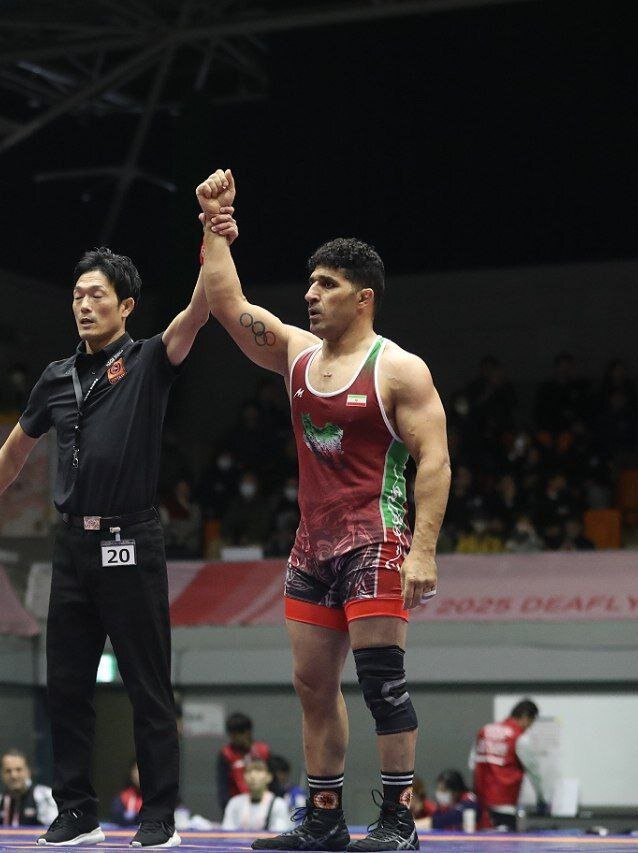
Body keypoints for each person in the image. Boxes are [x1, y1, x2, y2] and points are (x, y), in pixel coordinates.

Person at [0, 208, 238, 849]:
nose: (83, 305)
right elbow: (15, 451)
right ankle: (77, 811)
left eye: (97, 295)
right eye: (77, 295)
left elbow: (200, 309)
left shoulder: (149, 360)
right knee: (66, 686)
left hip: (131, 541)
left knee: (146, 685)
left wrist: (212, 232)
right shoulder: (55, 378)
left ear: (126, 306)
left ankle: (158, 817)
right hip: (73, 546)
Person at [197, 169, 450, 852]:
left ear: (364, 298)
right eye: (309, 283)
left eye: (326, 285)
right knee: (312, 685)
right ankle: (326, 818)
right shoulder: (295, 354)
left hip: (376, 542)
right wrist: (215, 225)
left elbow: (435, 461)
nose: (309, 295)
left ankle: (398, 821)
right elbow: (226, 302)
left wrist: (423, 551)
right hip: (311, 548)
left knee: (381, 683)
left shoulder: (399, 369)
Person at [472, 699, 545, 830]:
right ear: (525, 717)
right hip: (505, 804)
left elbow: (472, 764)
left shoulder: (484, 731)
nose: (529, 728)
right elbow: (534, 772)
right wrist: (541, 798)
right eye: (530, 723)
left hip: (480, 805)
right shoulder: (520, 738)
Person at [0, 749, 58, 828]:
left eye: (19, 770)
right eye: (8, 771)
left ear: (28, 771)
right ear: (1, 774)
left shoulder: (44, 796)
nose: (13, 775)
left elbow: (53, 829)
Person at [217, 712, 273, 813]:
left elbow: (273, 781)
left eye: (237, 734)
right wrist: (227, 808)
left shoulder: (263, 751)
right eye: (231, 735)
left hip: (263, 806)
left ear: (248, 732)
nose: (233, 738)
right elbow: (223, 786)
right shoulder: (226, 754)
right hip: (237, 807)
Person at [222, 757, 293, 834]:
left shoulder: (278, 804)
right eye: (249, 771)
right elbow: (227, 832)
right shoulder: (234, 803)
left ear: (269, 777)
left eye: (259, 770)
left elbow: (279, 834)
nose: (253, 775)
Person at [111, 758, 143, 826]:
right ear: (131, 774)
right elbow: (117, 819)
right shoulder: (121, 800)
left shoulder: (159, 800)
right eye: (137, 769)